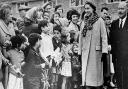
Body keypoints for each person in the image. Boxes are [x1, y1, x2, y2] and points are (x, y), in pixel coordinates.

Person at [79, 1, 108, 89]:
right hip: (85, 53)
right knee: (87, 80)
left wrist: (104, 52)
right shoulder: (84, 22)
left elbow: (104, 37)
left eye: (88, 8)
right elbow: (80, 38)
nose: (86, 10)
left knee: (96, 80)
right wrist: (79, 53)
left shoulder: (100, 21)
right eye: (85, 8)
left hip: (96, 54)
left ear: (93, 9)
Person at [110, 2, 128, 89]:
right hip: (116, 58)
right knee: (118, 79)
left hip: (127, 58)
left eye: (122, 9)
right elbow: (111, 40)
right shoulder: (114, 24)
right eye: (119, 9)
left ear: (127, 9)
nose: (120, 11)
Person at [0, 4, 15, 89]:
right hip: (2, 57)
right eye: (10, 14)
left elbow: (14, 38)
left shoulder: (11, 24)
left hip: (11, 56)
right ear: (5, 15)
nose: (12, 16)